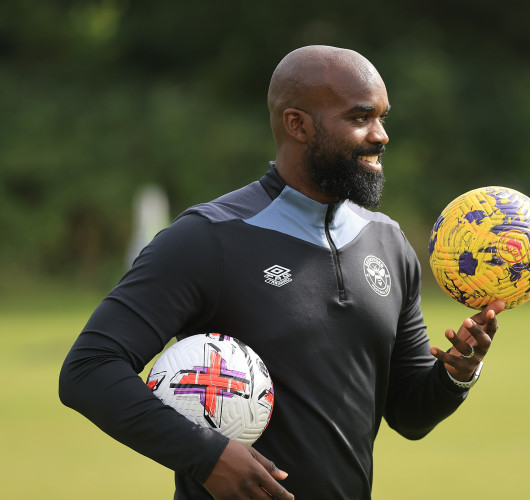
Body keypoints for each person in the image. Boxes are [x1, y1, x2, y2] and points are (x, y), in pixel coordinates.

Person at [59, 45, 505, 500]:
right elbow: (89, 370)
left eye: (383, 118)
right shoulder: (209, 239)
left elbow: (409, 416)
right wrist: (206, 456)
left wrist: (457, 373)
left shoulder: (388, 244)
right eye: (359, 118)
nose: (381, 135)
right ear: (298, 125)